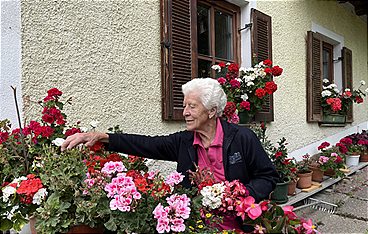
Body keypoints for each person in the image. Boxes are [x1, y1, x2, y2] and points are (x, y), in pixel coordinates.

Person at [61, 77, 278, 231]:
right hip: (197, 226)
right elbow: (146, 144)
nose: (185, 112)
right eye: (185, 106)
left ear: (212, 111)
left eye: (192, 106)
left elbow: (268, 177)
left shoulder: (242, 138)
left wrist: (238, 194)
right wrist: (101, 137)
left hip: (239, 226)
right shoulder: (183, 141)